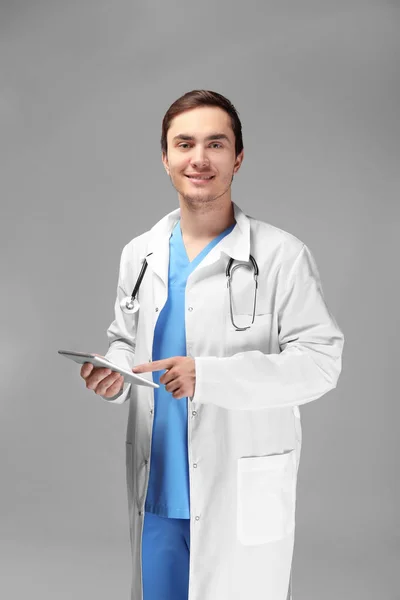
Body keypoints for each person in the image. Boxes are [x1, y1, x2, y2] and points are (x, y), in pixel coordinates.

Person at [80, 89, 344, 600]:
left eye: (215, 144)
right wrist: (112, 373)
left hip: (238, 489)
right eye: (184, 144)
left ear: (237, 158)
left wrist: (212, 376)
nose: (199, 158)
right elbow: (125, 341)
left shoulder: (281, 255)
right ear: (165, 158)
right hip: (160, 489)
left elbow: (321, 363)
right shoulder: (140, 253)